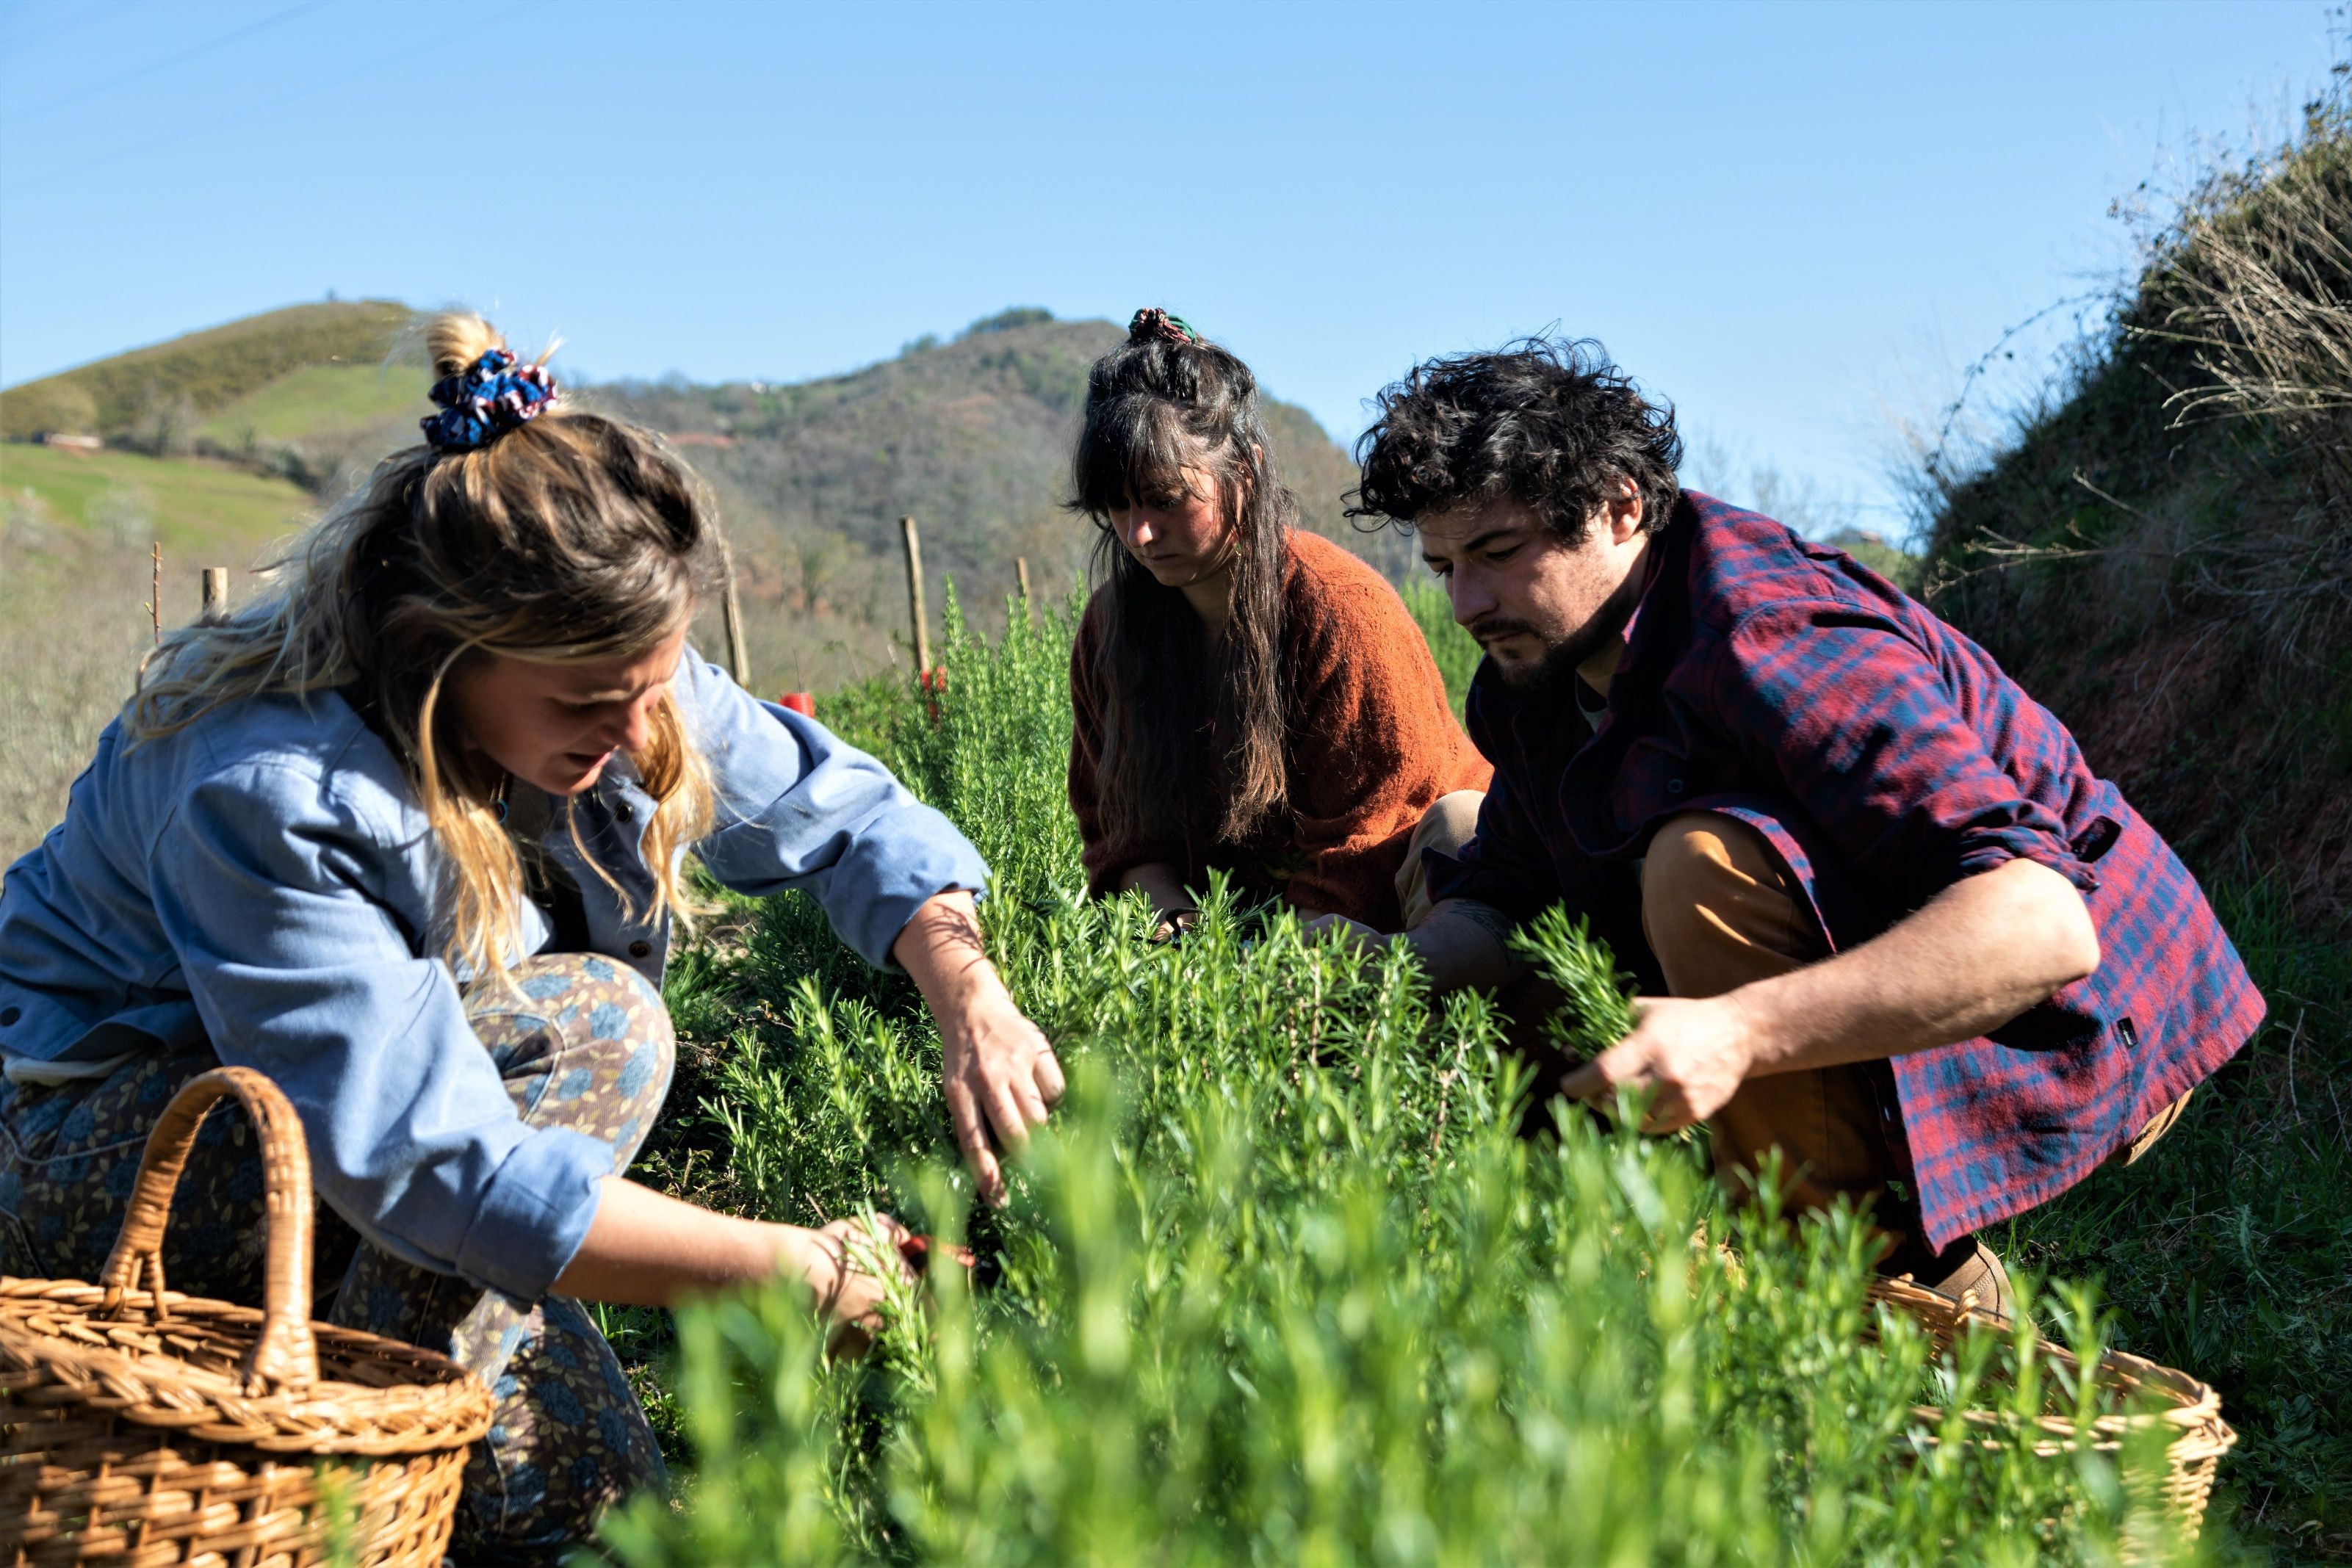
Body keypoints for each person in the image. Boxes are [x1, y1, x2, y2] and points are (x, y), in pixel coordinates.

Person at [0, 314, 1064, 1558]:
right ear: (440, 653)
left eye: (652, 690)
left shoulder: (619, 674)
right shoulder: (270, 786)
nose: (630, 733)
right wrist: (784, 1267)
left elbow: (840, 819)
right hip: (99, 1160)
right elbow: (422, 1163)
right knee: (593, 1028)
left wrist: (970, 996)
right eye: (584, 705)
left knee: (610, 1516)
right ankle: (353, 1486)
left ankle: (425, 1480)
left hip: (386, 1161)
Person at [1321, 337, 2263, 1315]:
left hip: (2073, 1011)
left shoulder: (1764, 629)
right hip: (1873, 946)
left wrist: (1736, 1030)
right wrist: (1377, 965)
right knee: (1458, 834)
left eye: (1499, 554)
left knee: (1701, 868)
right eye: (1442, 566)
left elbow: (2043, 925)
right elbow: (1511, 895)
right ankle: (1587, 1278)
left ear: (1618, 506)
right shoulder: (1532, 676)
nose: (1466, 602)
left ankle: (1883, 1282)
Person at [1067, 308, 1489, 936]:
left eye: (1166, 500)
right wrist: (1174, 931)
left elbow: (1369, 838)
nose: (1140, 533)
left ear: (1247, 471)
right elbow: (1118, 832)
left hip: (1410, 900)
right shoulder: (1112, 627)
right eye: (1119, 506)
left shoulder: (1340, 608)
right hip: (1249, 931)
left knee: (1458, 829)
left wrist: (1266, 985)